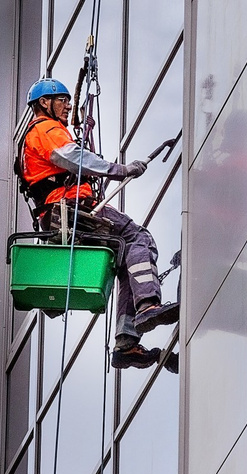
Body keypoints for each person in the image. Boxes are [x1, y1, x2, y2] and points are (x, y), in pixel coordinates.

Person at [16, 78, 177, 366]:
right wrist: (119, 170)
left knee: (127, 253)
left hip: (61, 214)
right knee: (138, 239)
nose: (68, 106)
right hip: (71, 209)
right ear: (44, 103)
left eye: (68, 100)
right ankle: (147, 307)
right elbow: (70, 155)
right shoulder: (45, 129)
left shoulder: (36, 137)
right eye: (62, 101)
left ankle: (126, 342)